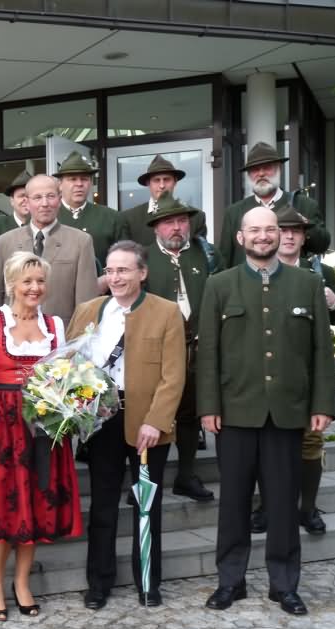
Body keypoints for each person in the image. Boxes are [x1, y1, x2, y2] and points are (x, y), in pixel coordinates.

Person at [198, 207, 335, 616]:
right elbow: (208, 352)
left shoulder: (307, 284)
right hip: (235, 411)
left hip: (288, 413)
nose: (263, 236)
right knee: (233, 503)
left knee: (282, 502)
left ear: (281, 236)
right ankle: (230, 581)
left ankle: (284, 584)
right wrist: (208, 406)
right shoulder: (219, 285)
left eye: (270, 230)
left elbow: (321, 352)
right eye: (254, 230)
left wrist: (322, 405)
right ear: (240, 238)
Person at [0, 251, 83, 621]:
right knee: (4, 505)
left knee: (35, 502)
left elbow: (63, 376)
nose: (34, 288)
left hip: (42, 426)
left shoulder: (55, 326)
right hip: (2, 422)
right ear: (12, 283)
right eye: (27, 281)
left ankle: (23, 582)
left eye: (40, 281)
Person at [69, 241, 186, 609]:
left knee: (146, 504)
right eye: (110, 270)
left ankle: (148, 581)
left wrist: (156, 421)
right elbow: (70, 364)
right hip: (102, 421)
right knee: (102, 505)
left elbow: (174, 375)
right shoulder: (89, 310)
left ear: (142, 273)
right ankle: (98, 583)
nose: (115, 277)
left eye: (123, 270)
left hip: (148, 423)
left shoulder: (166, 313)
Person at [250, 205, 335, 536]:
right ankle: (267, 506)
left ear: (305, 237)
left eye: (296, 231)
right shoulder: (257, 270)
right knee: (267, 442)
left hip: (306, 375)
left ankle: (307, 507)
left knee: (309, 444)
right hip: (265, 372)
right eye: (284, 230)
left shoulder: (318, 272)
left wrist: (333, 300)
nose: (289, 236)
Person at [142, 192, 223, 502]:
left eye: (181, 221)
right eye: (168, 222)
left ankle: (186, 475)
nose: (176, 227)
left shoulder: (207, 256)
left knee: (190, 415)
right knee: (154, 413)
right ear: (156, 228)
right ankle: (147, 481)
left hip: (199, 348)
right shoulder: (144, 258)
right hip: (158, 351)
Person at [0, 174, 97, 325]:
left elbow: (87, 303)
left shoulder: (81, 241)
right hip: (14, 336)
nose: (45, 203)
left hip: (63, 338)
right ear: (27, 203)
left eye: (50, 196)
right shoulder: (5, 242)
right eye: (37, 197)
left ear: (59, 199)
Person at [219, 142, 330, 268]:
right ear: (248, 175)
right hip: (246, 286)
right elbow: (224, 261)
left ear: (279, 169)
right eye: (255, 169)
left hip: (292, 283)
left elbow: (322, 245)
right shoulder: (233, 212)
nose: (261, 174)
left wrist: (304, 224)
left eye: (267, 167)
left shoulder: (304, 205)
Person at [53, 151, 128, 283]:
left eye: (84, 179)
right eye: (72, 179)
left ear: (91, 183)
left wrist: (106, 280)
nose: (79, 184)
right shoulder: (48, 217)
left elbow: (126, 260)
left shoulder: (112, 217)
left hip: (102, 295)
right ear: (60, 184)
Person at [119, 155, 207, 247]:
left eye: (167, 179)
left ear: (175, 181)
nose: (162, 185)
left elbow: (201, 256)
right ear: (148, 183)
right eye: (156, 180)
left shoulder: (196, 217)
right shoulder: (129, 219)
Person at [0, 171, 30, 244]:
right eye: (21, 196)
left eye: (30, 196)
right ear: (12, 201)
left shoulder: (48, 226)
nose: (26, 200)